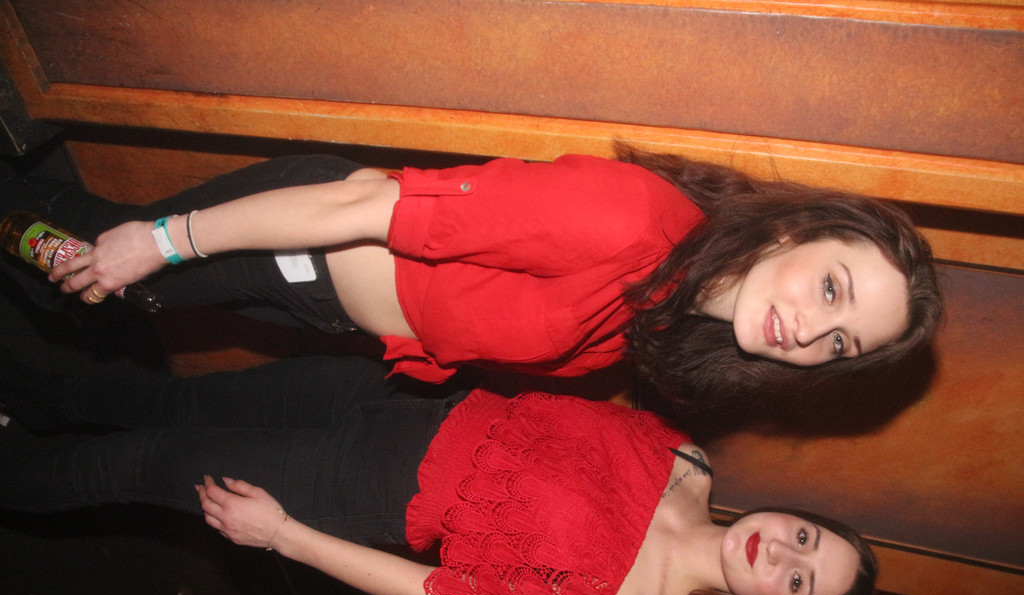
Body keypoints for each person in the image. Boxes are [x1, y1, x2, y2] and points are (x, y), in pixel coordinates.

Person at [0, 352, 877, 595]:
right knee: (179, 397)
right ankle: (27, 387)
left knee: (134, 463)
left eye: (800, 580)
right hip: (395, 395)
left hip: (355, 489)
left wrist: (286, 535)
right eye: (806, 535)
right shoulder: (686, 458)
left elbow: (433, 593)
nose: (782, 552)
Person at [8, 145, 941, 408]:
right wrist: (168, 237)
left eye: (840, 344)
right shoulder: (627, 221)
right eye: (832, 290)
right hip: (303, 241)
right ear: (797, 231)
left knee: (95, 282)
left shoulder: (670, 314)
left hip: (322, 303)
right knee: (89, 256)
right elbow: (357, 209)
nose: (810, 331)